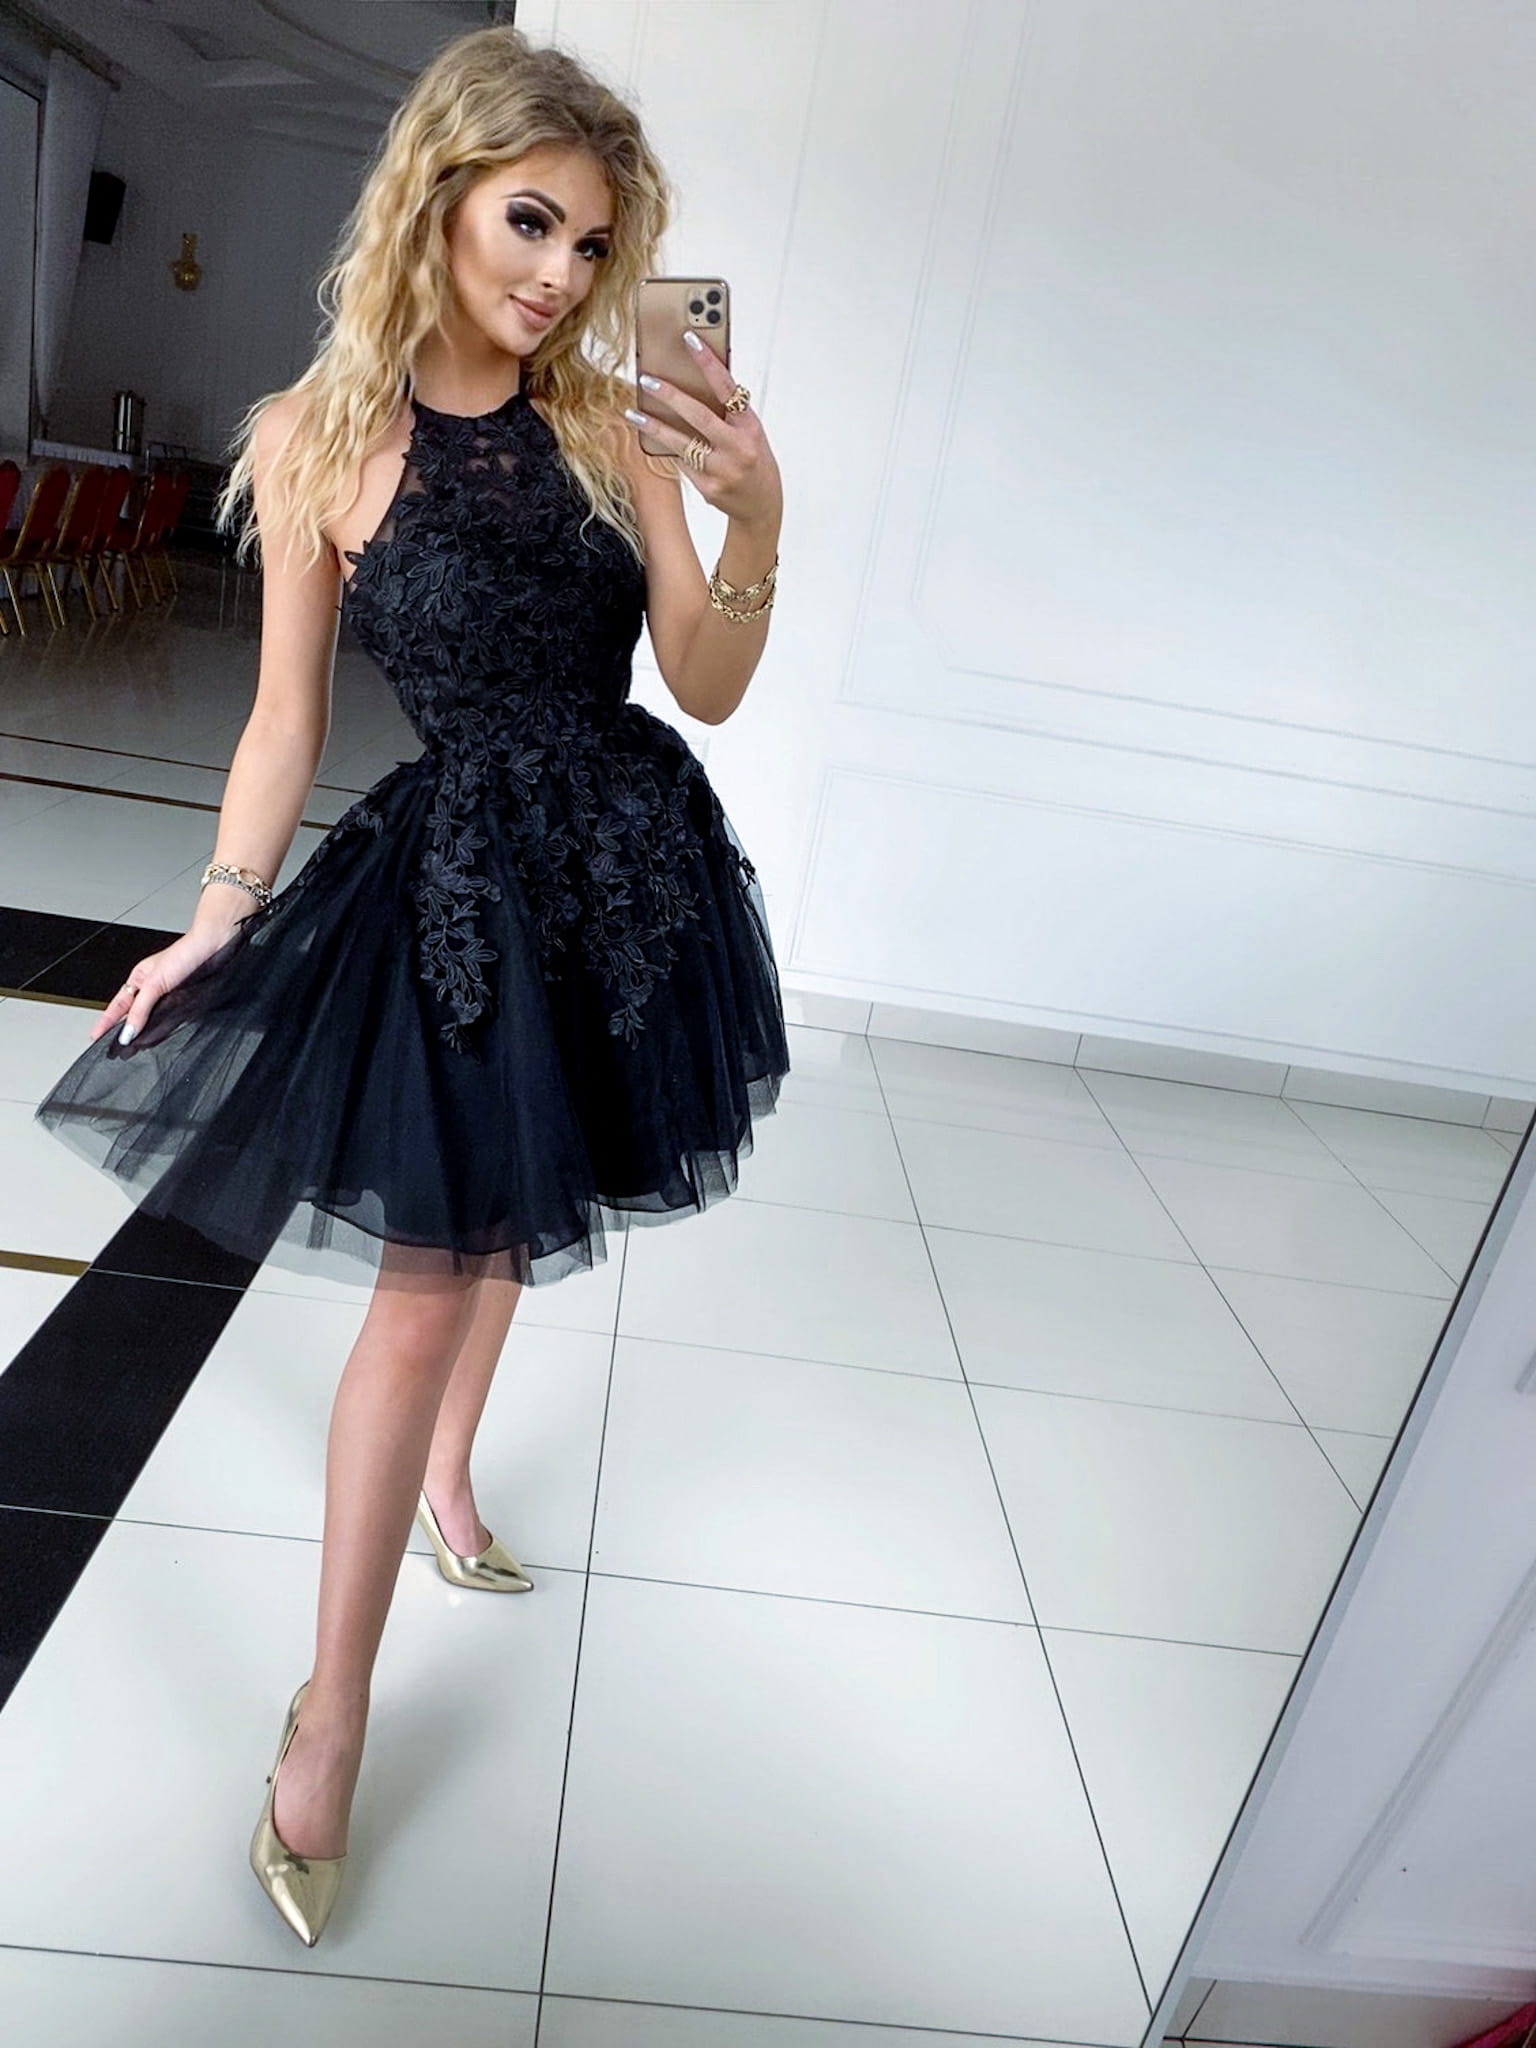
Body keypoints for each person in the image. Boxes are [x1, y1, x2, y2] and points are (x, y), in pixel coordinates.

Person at [32, 24, 789, 1948]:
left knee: (536, 1183)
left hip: (628, 868)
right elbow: (284, 722)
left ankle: (454, 1479)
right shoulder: (313, 438)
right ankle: (333, 1715)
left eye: (592, 244)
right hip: (459, 884)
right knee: (427, 1275)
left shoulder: (612, 417)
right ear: (439, 195)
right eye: (532, 222)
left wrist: (759, 521)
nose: (559, 272)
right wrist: (218, 914)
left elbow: (705, 686)